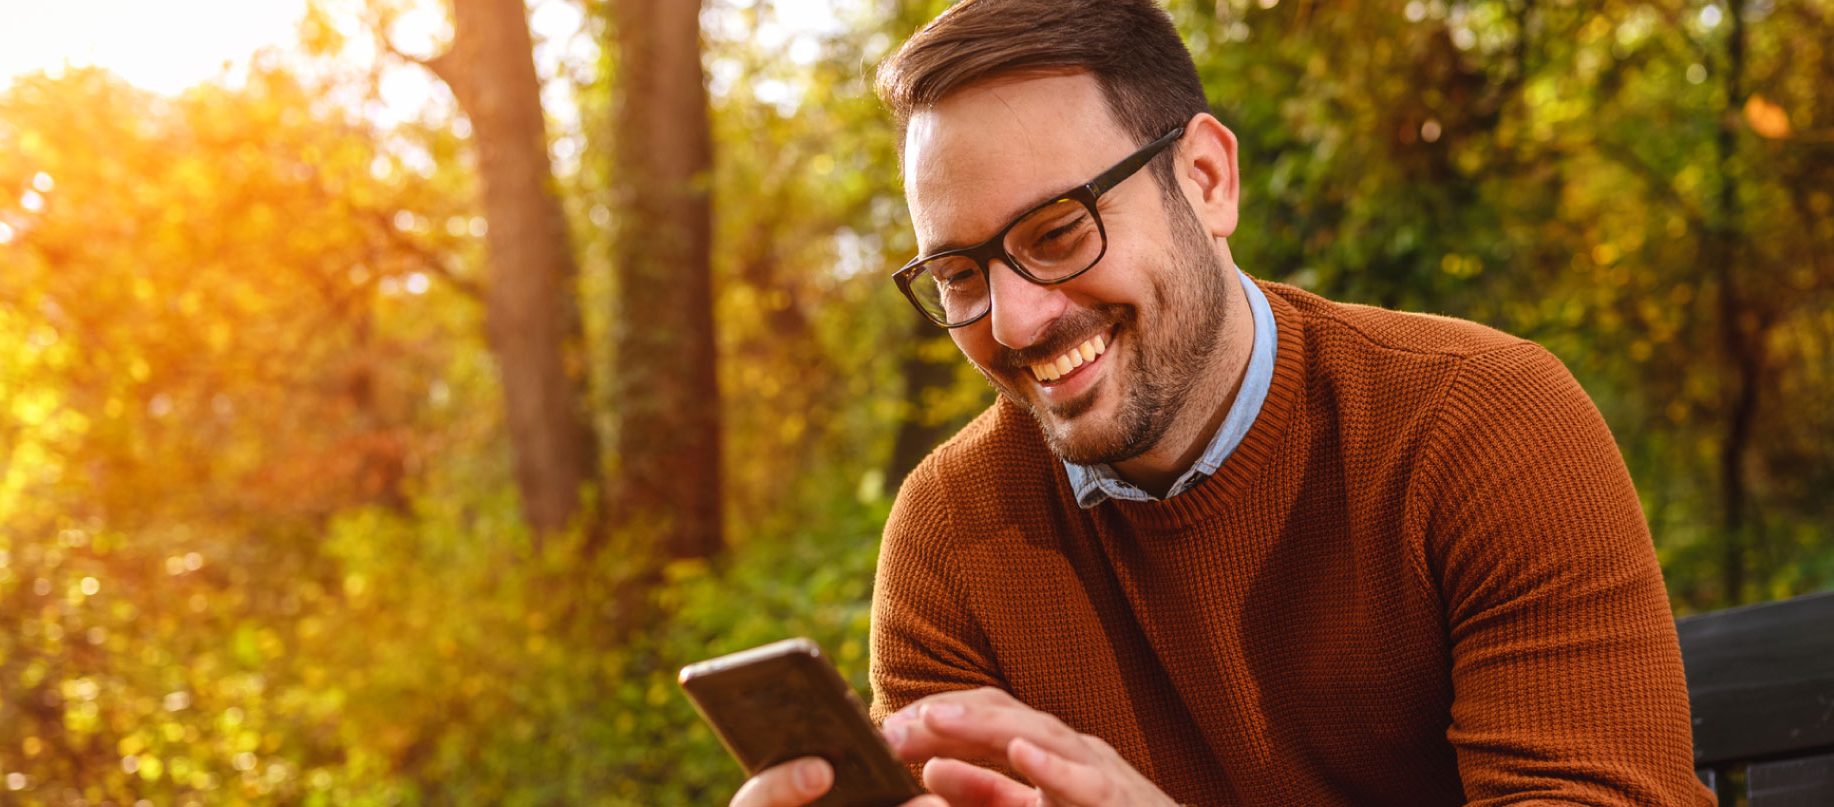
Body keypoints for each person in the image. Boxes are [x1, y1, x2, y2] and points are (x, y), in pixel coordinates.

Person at [733, 1, 1712, 805]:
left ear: (1205, 180)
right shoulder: (951, 540)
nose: (1018, 319)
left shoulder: (1479, 423)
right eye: (958, 273)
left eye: (1060, 232)